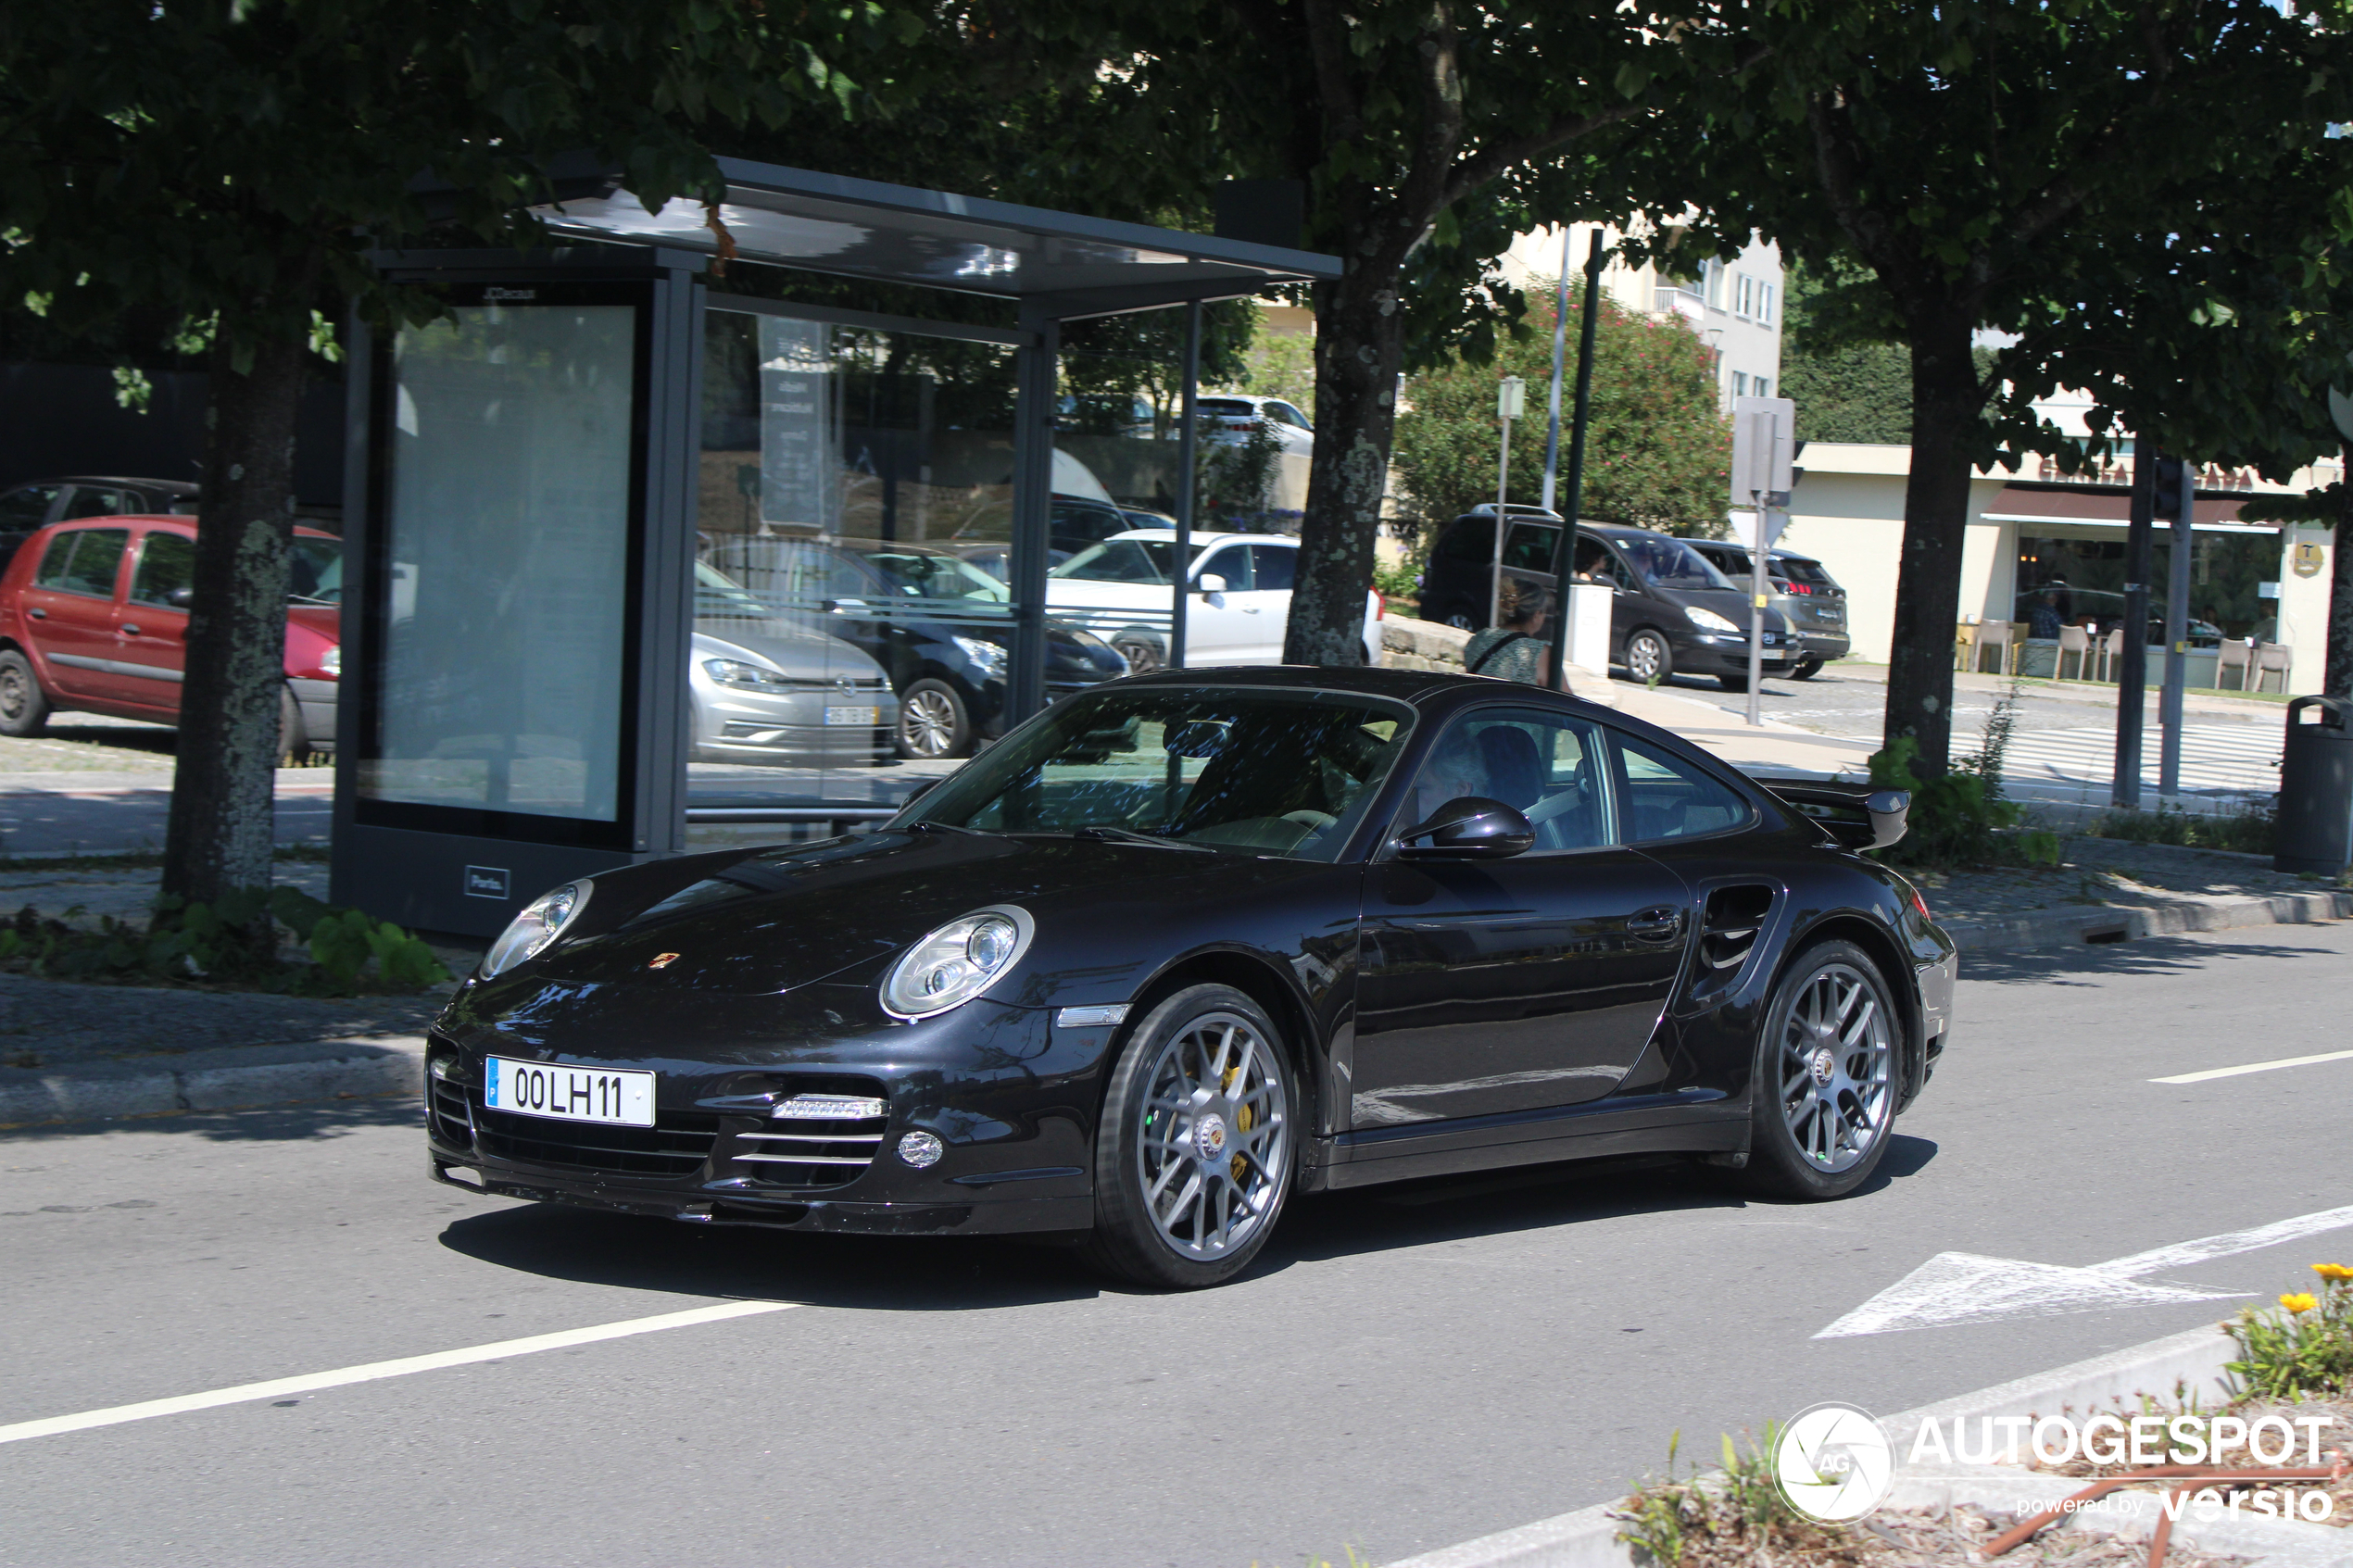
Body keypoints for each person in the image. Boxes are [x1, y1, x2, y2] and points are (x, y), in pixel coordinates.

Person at [1463, 576, 1552, 686]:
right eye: (1544, 613)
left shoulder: (1479, 639)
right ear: (1537, 615)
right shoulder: (1540, 653)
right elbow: (1567, 699)